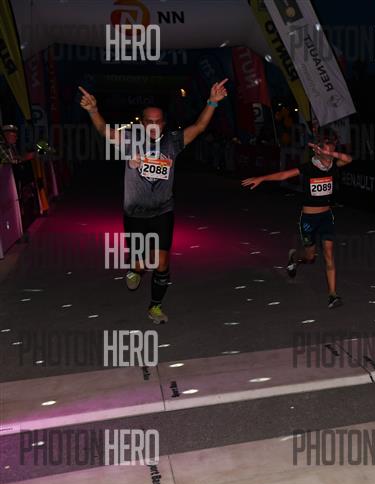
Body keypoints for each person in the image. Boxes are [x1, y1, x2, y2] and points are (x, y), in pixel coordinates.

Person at [78, 79, 229, 323]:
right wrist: (93, 110)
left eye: (158, 122)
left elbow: (200, 126)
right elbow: (105, 131)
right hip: (135, 213)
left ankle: (155, 307)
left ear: (164, 124)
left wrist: (212, 101)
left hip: (163, 211)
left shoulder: (173, 142)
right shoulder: (130, 139)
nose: (154, 126)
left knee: (161, 262)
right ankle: (135, 269)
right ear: (142, 123)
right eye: (149, 121)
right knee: (141, 265)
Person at [241, 130, 353, 309]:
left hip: (326, 217)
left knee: (329, 254)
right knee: (310, 256)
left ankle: (333, 295)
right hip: (309, 218)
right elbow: (284, 175)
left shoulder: (333, 165)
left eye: (332, 152)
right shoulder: (308, 167)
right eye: (326, 152)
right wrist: (262, 178)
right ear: (317, 151)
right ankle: (294, 256)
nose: (329, 157)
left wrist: (330, 154)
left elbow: (348, 159)